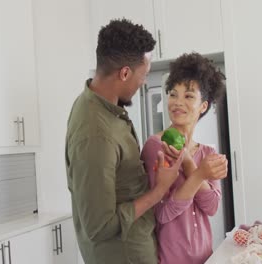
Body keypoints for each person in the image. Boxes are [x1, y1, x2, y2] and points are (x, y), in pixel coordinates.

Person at [65, 19, 185, 264]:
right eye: (144, 75)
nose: (143, 83)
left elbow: (118, 178)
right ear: (125, 73)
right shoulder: (95, 133)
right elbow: (99, 227)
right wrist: (159, 190)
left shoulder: (101, 105)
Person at [141, 53, 228, 264]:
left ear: (203, 106)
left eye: (188, 96)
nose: (177, 102)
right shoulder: (156, 146)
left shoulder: (207, 153)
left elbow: (212, 207)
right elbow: (161, 213)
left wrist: (190, 164)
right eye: (173, 94)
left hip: (206, 257)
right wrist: (199, 174)